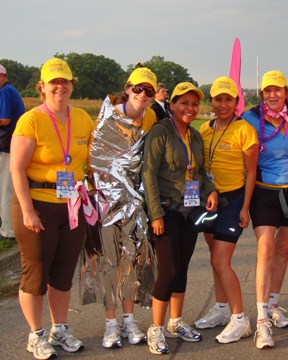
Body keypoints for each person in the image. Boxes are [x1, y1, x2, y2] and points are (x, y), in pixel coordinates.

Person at [10, 57, 94, 359]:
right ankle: (36, 334)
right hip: (36, 205)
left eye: (65, 81)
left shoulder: (83, 118)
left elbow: (90, 162)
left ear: (72, 85)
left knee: (62, 273)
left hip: (71, 206)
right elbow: (17, 169)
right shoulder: (31, 120)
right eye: (53, 81)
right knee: (35, 274)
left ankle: (60, 329)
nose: (60, 86)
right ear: (42, 86)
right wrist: (28, 210)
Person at [142, 82, 218, 354]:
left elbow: (200, 172)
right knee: (169, 269)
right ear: (171, 105)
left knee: (182, 268)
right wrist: (155, 214)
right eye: (183, 103)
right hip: (165, 209)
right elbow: (148, 174)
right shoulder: (160, 131)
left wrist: (212, 191)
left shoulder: (195, 135)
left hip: (189, 209)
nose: (190, 108)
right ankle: (156, 328)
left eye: (195, 103)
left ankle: (175, 322)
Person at [242, 70, 288, 349]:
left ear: (286, 92)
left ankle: (274, 304)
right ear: (262, 95)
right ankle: (261, 320)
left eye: (278, 90)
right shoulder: (249, 118)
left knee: (283, 250)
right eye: (267, 91)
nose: (272, 95)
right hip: (264, 192)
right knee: (265, 251)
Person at [88, 66, 158, 349]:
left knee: (132, 259)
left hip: (133, 202)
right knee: (108, 262)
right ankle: (110, 323)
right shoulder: (108, 116)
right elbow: (95, 158)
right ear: (128, 88)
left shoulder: (151, 117)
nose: (143, 94)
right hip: (104, 201)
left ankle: (129, 318)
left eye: (149, 91)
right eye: (138, 88)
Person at [194, 76, 258, 343]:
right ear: (212, 101)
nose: (222, 105)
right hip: (210, 200)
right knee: (214, 260)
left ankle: (240, 319)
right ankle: (221, 309)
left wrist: (245, 207)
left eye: (228, 100)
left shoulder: (245, 130)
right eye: (218, 99)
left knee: (222, 261)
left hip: (233, 201)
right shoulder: (205, 129)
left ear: (236, 102)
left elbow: (252, 172)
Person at [0, 64, 25, 240]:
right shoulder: (10, 90)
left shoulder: (4, 91)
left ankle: (7, 230)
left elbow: (4, 119)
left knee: (5, 187)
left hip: (6, 145)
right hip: (12, 144)